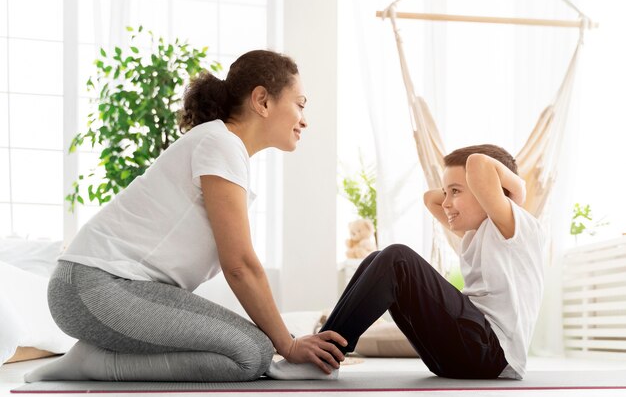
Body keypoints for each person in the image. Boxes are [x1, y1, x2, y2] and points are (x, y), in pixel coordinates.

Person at [25, 49, 346, 383]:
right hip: (93, 286)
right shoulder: (220, 143)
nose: (304, 120)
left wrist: (283, 344)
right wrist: (288, 345)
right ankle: (93, 362)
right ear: (262, 101)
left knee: (255, 351)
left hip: (110, 287)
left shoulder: (221, 144)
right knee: (253, 354)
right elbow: (239, 265)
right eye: (301, 104)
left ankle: (100, 357)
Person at [280, 144, 544, 380]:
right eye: (447, 192)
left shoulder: (515, 226)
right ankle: (323, 350)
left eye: (455, 191)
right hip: (462, 355)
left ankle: (322, 359)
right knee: (378, 258)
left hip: (491, 351)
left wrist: (516, 190)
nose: (447, 202)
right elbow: (430, 198)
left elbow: (477, 163)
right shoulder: (476, 234)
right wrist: (454, 188)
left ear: (494, 191)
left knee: (398, 259)